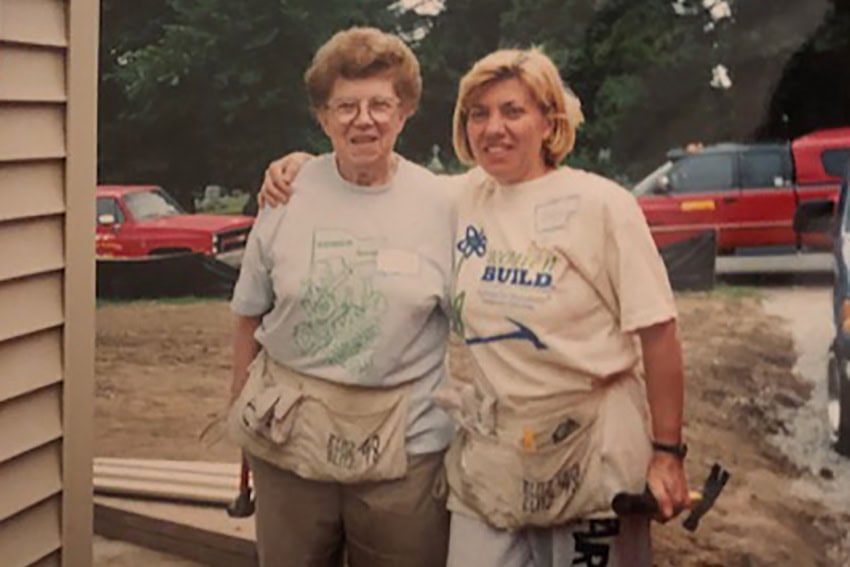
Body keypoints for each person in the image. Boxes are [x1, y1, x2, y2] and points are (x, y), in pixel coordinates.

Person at [260, 47, 689, 567]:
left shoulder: (600, 205)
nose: (493, 128)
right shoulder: (457, 199)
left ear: (549, 121)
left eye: (513, 111)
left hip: (591, 444)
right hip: (495, 448)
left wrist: (668, 454)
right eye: (478, 114)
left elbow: (659, 333)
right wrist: (304, 167)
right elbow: (379, 175)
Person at [228, 27, 454, 567]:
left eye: (380, 104)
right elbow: (247, 314)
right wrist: (239, 408)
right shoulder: (286, 194)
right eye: (346, 106)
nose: (364, 119)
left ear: (405, 112)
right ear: (323, 117)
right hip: (288, 441)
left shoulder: (444, 205)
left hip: (407, 450)